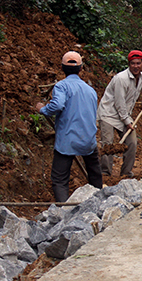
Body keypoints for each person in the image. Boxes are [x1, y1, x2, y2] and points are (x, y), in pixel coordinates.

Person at [35, 51, 103, 202]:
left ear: (62, 68)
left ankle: (63, 212)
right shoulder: (90, 90)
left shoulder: (61, 86)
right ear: (81, 68)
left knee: (59, 179)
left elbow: (57, 105)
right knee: (95, 174)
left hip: (67, 141)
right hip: (88, 139)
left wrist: (43, 109)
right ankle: (101, 202)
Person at [97, 50, 142, 177]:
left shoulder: (141, 77)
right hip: (109, 114)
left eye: (138, 63)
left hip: (124, 115)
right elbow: (119, 103)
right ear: (129, 64)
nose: (136, 66)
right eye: (133, 63)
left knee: (132, 142)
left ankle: (126, 172)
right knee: (108, 145)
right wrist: (127, 121)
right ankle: (105, 173)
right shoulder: (121, 79)